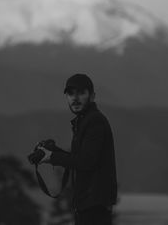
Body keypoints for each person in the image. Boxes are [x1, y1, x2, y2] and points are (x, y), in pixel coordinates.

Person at [38, 73, 118, 225]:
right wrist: (53, 153)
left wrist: (53, 157)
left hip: (94, 207)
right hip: (89, 204)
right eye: (70, 93)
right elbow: (81, 158)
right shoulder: (84, 121)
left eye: (81, 93)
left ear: (92, 96)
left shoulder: (94, 121)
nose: (75, 98)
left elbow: (85, 161)